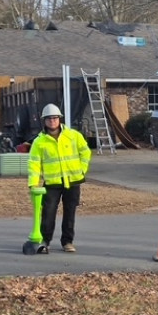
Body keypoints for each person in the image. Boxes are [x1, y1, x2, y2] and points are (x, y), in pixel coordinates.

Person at [27, 103, 92, 254]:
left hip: (73, 180)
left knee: (70, 213)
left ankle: (67, 242)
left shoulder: (73, 135)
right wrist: (33, 183)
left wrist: (82, 170)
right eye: (49, 119)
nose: (52, 121)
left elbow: (85, 152)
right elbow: (34, 164)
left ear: (59, 119)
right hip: (52, 183)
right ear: (44, 121)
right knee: (48, 213)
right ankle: (45, 241)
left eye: (55, 118)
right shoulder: (39, 142)